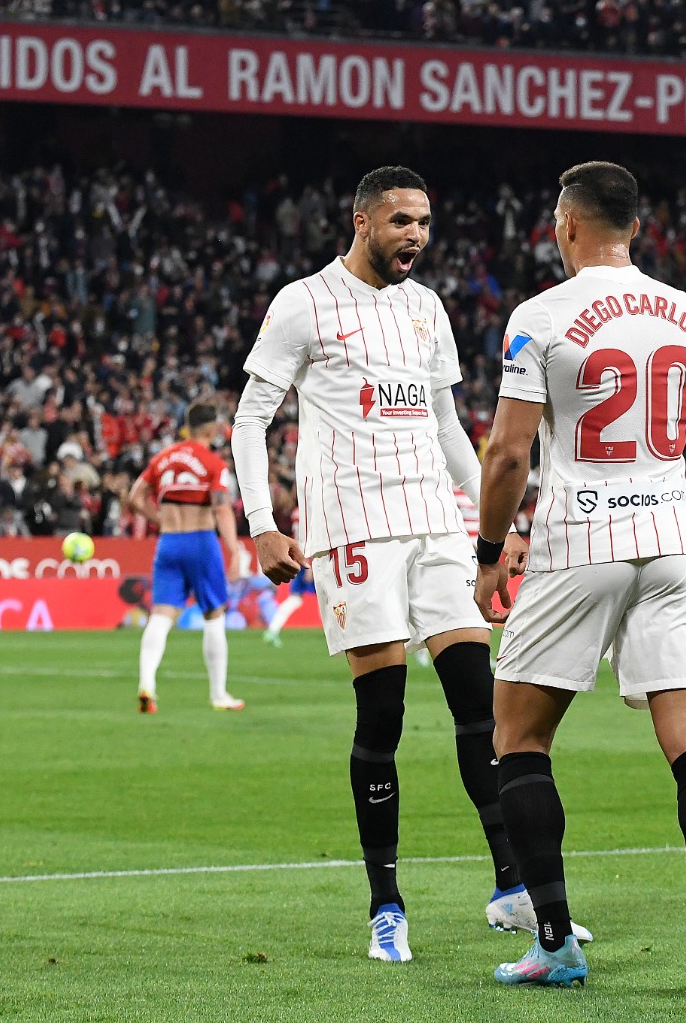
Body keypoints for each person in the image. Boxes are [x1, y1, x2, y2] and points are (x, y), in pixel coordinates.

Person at [231, 165, 566, 964]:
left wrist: (496, 520)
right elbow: (251, 420)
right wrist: (261, 523)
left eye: (423, 221)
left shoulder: (425, 308)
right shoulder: (302, 303)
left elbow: (451, 427)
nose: (415, 234)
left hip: (438, 528)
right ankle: (386, 906)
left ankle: (513, 890)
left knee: (480, 708)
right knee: (382, 718)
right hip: (354, 532)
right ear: (362, 221)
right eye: (401, 221)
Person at [473, 161, 686, 994]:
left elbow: (508, 451)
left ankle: (554, 943)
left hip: (579, 537)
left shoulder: (541, 315)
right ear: (636, 226)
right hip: (668, 536)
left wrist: (489, 554)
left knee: (518, 738)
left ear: (568, 222)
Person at [127, 404, 244, 714]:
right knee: (214, 615)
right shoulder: (214, 463)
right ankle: (219, 694)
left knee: (161, 615)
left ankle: (147, 684)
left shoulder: (162, 458)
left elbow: (135, 497)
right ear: (210, 429)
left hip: (169, 542)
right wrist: (234, 549)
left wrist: (160, 520)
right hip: (201, 542)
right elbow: (220, 508)